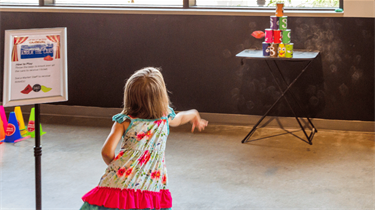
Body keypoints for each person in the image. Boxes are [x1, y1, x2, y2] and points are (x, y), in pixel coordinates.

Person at [80, 67, 208, 210]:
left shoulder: (124, 121)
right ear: (161, 96)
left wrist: (116, 167)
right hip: (150, 186)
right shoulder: (165, 118)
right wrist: (195, 115)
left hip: (118, 184)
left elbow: (106, 152)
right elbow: (181, 118)